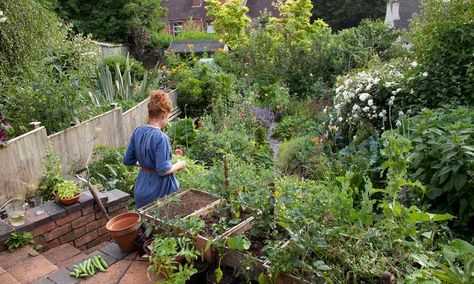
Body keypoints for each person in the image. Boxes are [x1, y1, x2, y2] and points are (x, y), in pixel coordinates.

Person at [123, 90, 186, 208]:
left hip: (141, 189)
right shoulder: (161, 138)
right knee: (165, 223)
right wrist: (179, 164)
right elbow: (163, 170)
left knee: (147, 224)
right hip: (160, 192)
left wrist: (146, 165)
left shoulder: (138, 132)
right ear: (164, 115)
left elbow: (128, 160)